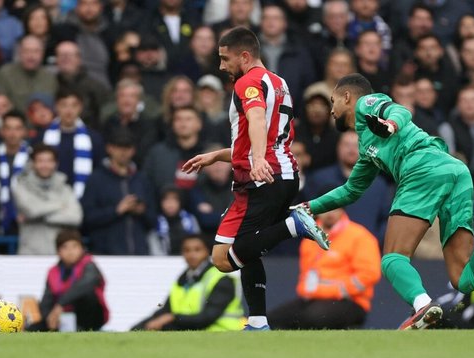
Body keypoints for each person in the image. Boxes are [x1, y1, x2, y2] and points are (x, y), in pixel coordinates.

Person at [299, 73, 474, 330]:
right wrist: (308, 207)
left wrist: (391, 124)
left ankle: (422, 305)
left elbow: (399, 111)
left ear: (347, 96)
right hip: (455, 172)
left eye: (333, 100)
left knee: (392, 258)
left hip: (422, 167)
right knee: (465, 279)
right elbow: (350, 191)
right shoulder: (367, 147)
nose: (332, 110)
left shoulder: (366, 105)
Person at [181, 27, 330, 331]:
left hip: (261, 177)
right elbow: (269, 135)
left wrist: (258, 160)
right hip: (282, 172)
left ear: (245, 56)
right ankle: (259, 322)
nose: (221, 66)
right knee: (247, 250)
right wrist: (219, 155)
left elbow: (258, 119)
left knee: (223, 258)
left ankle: (294, 224)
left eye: (225, 59)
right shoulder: (279, 82)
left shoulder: (247, 82)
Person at [268, 204, 381, 330]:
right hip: (312, 298)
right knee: (273, 319)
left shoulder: (359, 236)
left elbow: (369, 274)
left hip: (350, 301)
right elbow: (306, 274)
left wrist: (338, 290)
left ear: (342, 210)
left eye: (335, 208)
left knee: (313, 318)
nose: (330, 213)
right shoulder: (309, 237)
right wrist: (307, 291)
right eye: (325, 208)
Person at [132, 234, 244, 331]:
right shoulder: (183, 279)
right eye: (187, 250)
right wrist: (138, 328)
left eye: (197, 249)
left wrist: (173, 318)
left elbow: (208, 317)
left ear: (207, 251)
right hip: (194, 333)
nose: (191, 255)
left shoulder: (222, 279)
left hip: (223, 334)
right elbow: (165, 311)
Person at [81, 128, 154, 255]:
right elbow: (87, 218)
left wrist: (141, 211)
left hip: (139, 254)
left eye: (127, 147)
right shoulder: (96, 179)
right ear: (109, 148)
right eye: (119, 147)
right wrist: (117, 210)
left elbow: (154, 219)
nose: (123, 152)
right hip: (105, 255)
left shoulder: (142, 179)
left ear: (133, 150)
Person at [26, 229, 109, 332]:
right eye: (65, 247)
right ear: (58, 252)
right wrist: (49, 317)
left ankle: (82, 328)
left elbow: (85, 285)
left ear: (82, 249)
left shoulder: (89, 265)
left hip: (89, 317)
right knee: (33, 329)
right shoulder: (53, 272)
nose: (70, 252)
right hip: (62, 318)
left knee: (88, 295)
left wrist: (60, 305)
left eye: (74, 246)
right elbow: (46, 301)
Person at [13, 144, 82, 255]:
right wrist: (61, 206)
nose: (45, 165)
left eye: (49, 161)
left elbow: (75, 217)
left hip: (60, 255)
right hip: (30, 254)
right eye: (40, 161)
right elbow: (32, 211)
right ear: (32, 164)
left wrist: (38, 216)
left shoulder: (65, 188)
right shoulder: (21, 186)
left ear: (56, 164)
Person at [41, 89, 105, 199]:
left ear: (80, 108)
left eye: (74, 105)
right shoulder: (42, 137)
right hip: (47, 198)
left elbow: (99, 172)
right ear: (56, 107)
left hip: (83, 198)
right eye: (64, 105)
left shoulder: (94, 139)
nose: (69, 110)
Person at [0, 35, 58, 112]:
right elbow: (1, 103)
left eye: (36, 51)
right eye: (26, 51)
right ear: (20, 53)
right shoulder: (5, 73)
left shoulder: (50, 77)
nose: (31, 56)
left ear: (42, 54)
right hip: (13, 120)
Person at [0, 111, 29, 236]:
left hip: (26, 222)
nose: (12, 133)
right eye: (8, 128)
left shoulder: (33, 158)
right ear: (1, 131)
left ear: (24, 131)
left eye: (17, 128)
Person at [148, 185, 201, 256]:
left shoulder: (191, 219)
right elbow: (154, 249)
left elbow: (198, 243)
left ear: (180, 202)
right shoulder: (155, 222)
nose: (170, 204)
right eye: (166, 200)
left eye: (174, 199)